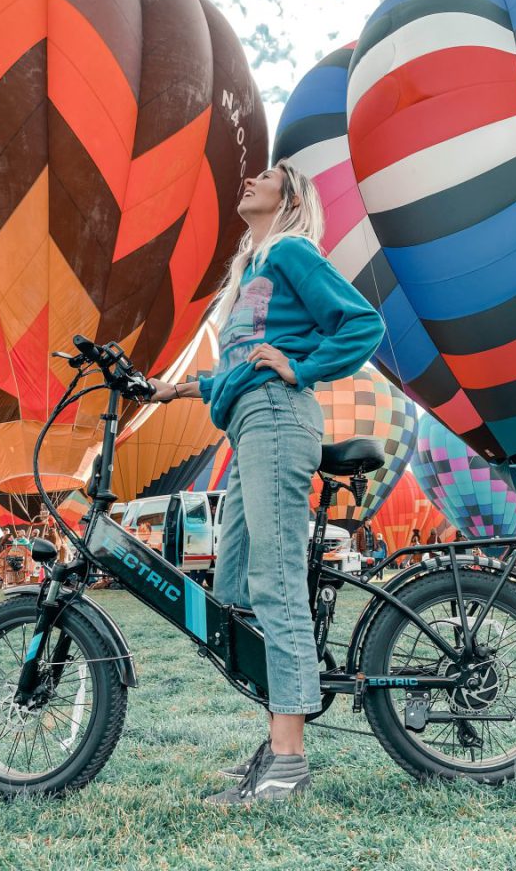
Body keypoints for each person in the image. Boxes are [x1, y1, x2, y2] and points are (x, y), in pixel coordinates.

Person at [148, 160, 384, 806]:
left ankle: (289, 761)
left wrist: (300, 366)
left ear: (292, 195)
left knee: (274, 583)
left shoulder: (290, 252)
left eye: (268, 174)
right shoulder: (250, 273)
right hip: (249, 421)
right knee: (234, 590)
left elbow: (364, 325)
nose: (249, 177)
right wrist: (181, 388)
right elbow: (241, 367)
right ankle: (278, 730)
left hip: (278, 417)